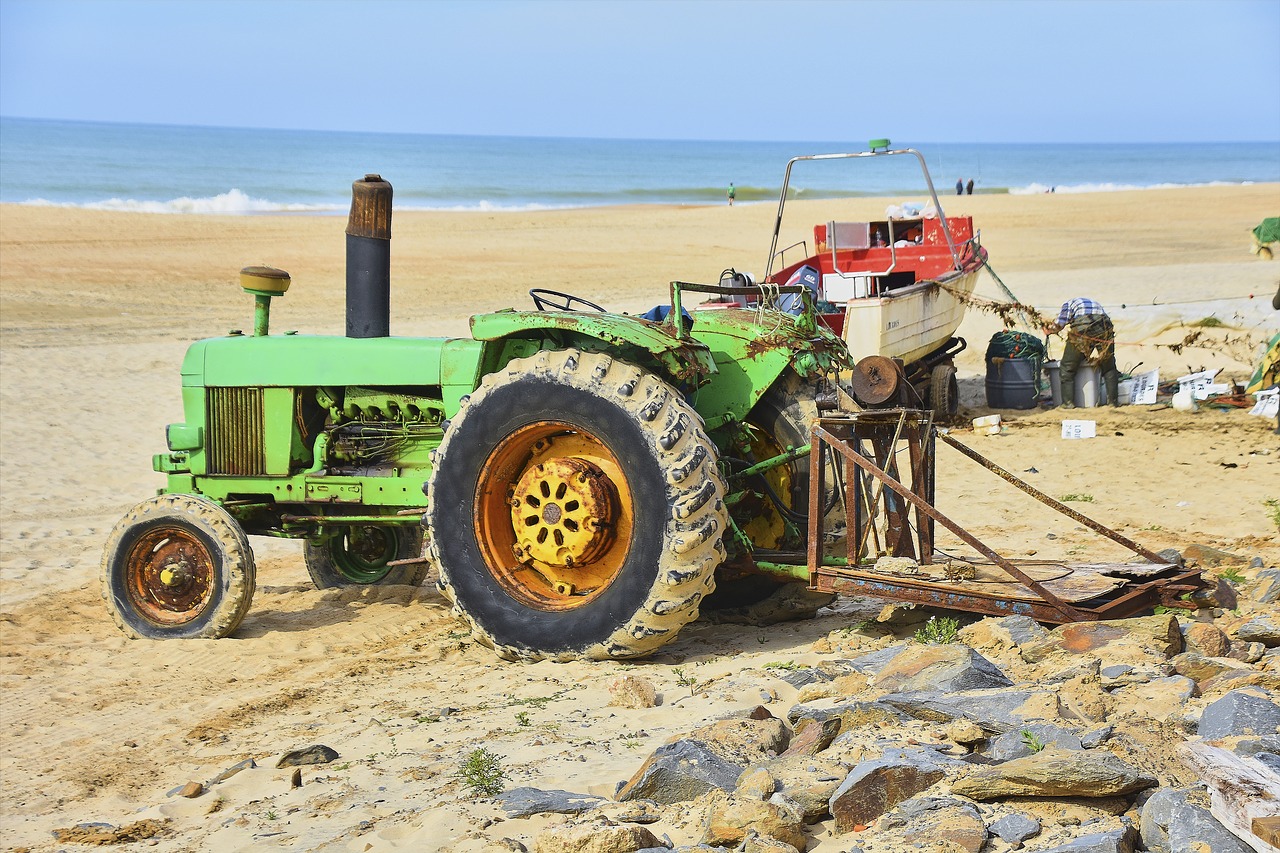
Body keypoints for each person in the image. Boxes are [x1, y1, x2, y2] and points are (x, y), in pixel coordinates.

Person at [1043, 297, 1119, 408]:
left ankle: (1068, 403)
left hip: (1082, 329)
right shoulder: (1094, 303)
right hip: (1104, 327)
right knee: (1108, 366)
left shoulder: (1068, 305)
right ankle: (1113, 403)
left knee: (1067, 367)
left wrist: (1049, 330)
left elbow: (1060, 324)